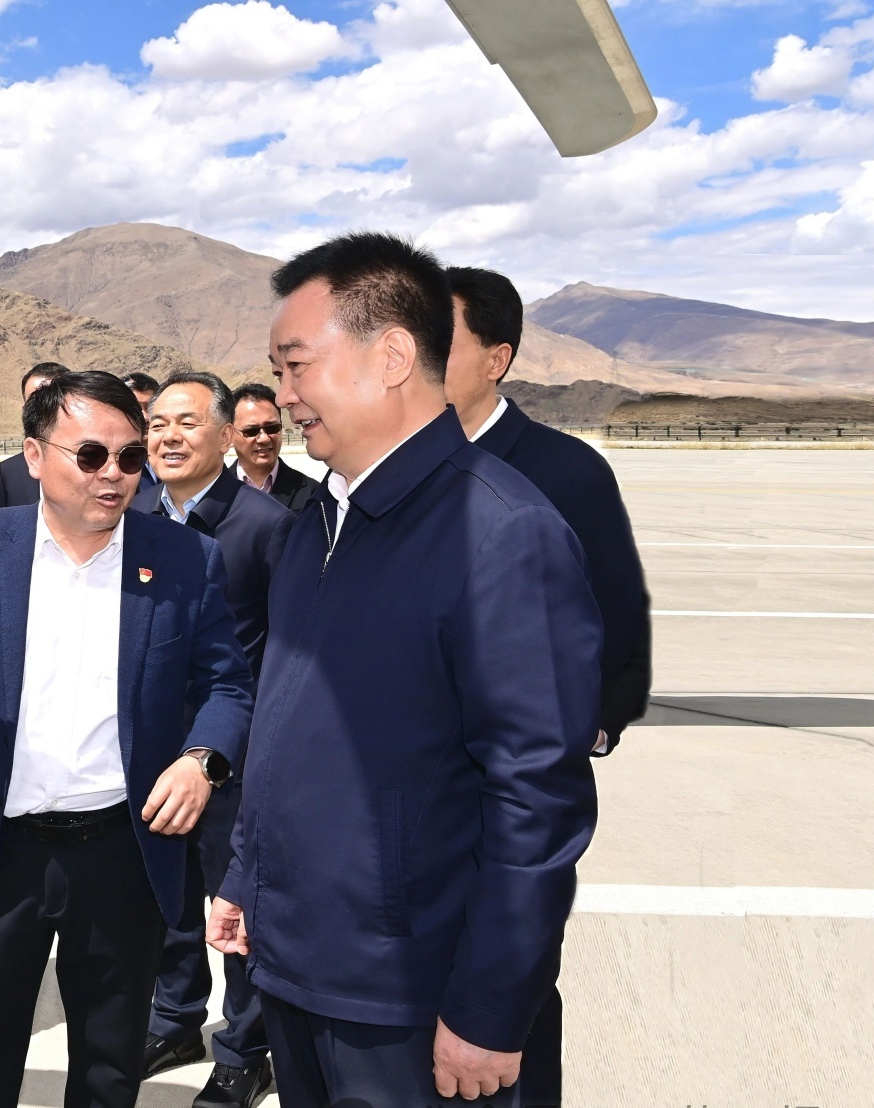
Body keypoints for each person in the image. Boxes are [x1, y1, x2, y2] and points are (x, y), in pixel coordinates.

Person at [208, 233, 601, 1108]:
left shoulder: (501, 534)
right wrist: (247, 878)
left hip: (413, 999)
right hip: (299, 968)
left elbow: (537, 798)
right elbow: (287, 723)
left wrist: (492, 1006)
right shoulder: (315, 525)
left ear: (391, 356)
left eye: (297, 365)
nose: (284, 396)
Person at [0, 371, 254, 1108]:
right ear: (35, 456)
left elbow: (228, 684)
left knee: (108, 1062)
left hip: (124, 852)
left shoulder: (183, 558)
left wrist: (201, 762)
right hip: (2, 851)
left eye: (129, 457)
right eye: (91, 455)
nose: (114, 475)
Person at [445, 265, 653, 1107]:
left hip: (512, 786)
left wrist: (585, 728)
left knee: (509, 981)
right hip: (419, 789)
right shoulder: (390, 468)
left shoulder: (564, 472)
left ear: (495, 359)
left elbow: (619, 616)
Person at [133, 371, 293, 1108]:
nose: (168, 436)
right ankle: (173, 1021)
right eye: (158, 423)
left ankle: (245, 1051)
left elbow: (289, 653)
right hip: (149, 751)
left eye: (187, 422)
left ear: (227, 436)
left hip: (235, 757)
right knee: (165, 898)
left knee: (238, 912)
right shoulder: (130, 513)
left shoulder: (264, 526)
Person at [228, 382, 319, 512]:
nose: (264, 438)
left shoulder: (312, 494)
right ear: (229, 435)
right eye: (251, 431)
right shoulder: (213, 493)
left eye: (272, 428)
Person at [0, 362, 66, 508]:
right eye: (35, 402)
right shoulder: (9, 471)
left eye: (54, 399)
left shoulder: (101, 467)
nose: (46, 409)